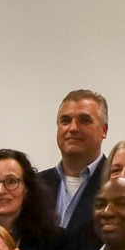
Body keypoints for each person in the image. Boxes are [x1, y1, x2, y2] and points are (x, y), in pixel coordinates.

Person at [40, 88, 110, 238]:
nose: (73, 128)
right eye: (65, 121)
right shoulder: (36, 184)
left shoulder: (117, 183)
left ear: (104, 130)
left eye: (84, 120)